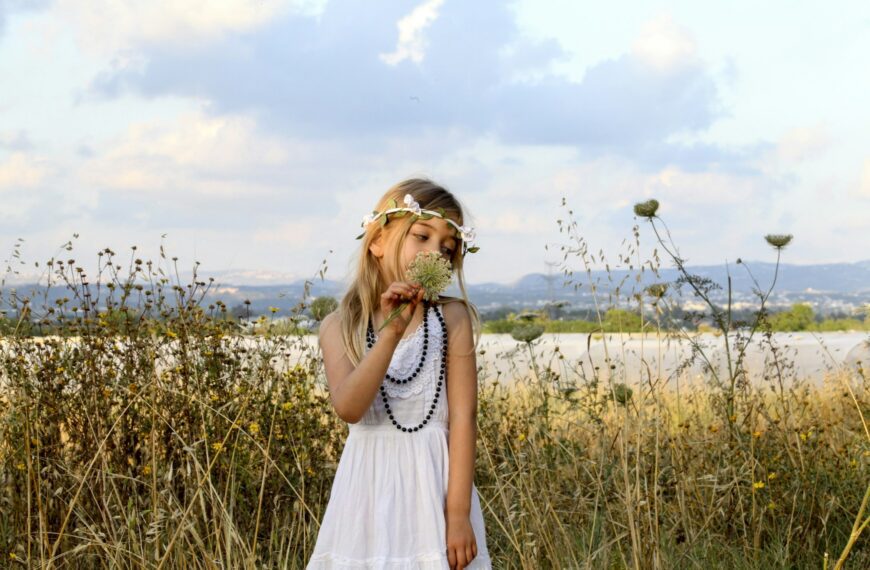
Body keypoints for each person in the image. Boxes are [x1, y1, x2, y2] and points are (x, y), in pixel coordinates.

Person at [307, 178, 492, 569]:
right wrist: (390, 332)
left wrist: (457, 514)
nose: (436, 253)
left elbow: (464, 418)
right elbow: (349, 408)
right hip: (366, 499)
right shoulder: (339, 327)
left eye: (448, 247)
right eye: (422, 237)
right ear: (376, 242)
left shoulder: (452, 318)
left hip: (434, 492)